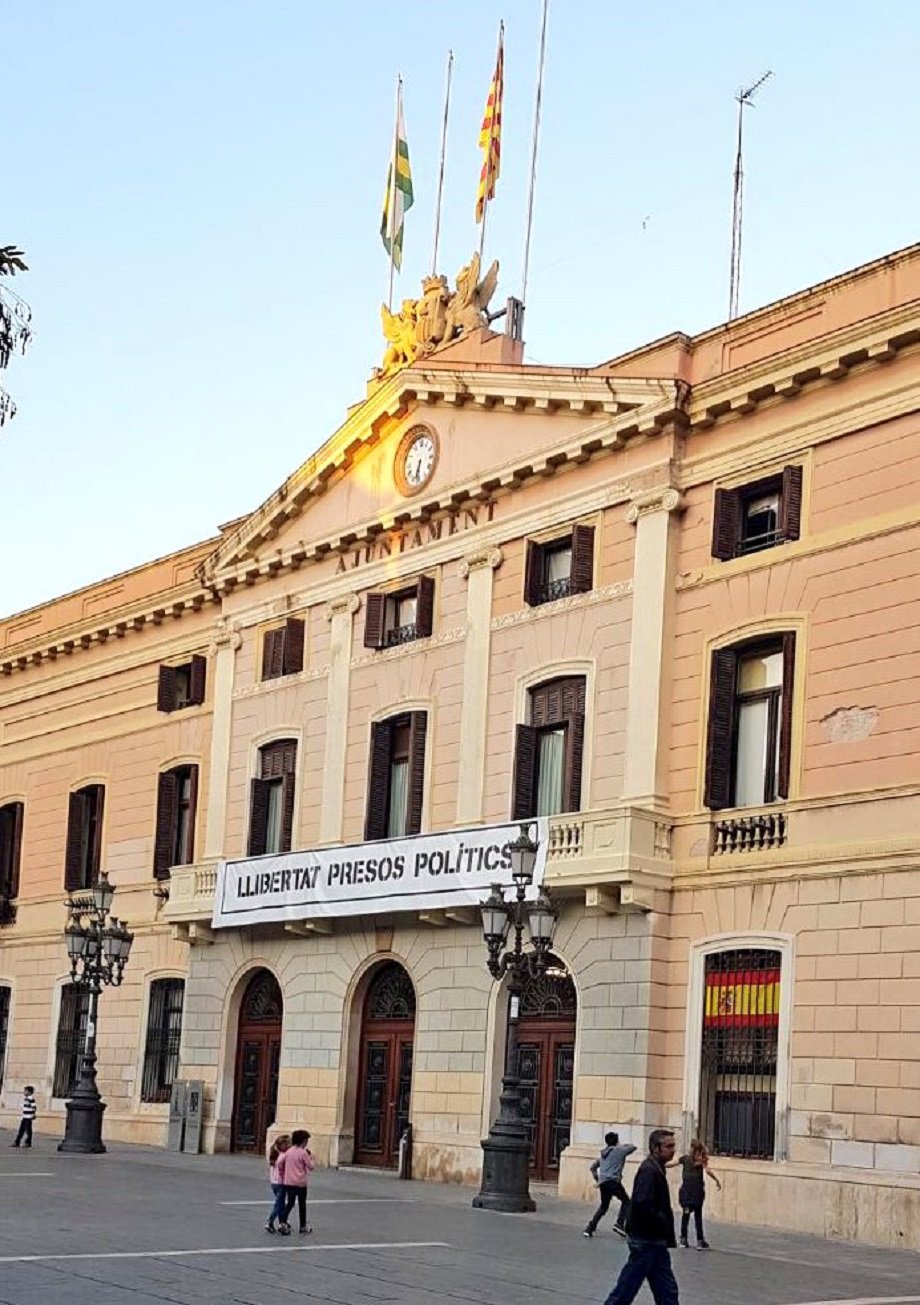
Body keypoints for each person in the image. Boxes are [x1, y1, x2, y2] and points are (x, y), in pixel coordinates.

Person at [601, 1128, 680, 1305]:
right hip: (646, 1241)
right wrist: (660, 1220)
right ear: (656, 1148)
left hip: (654, 1240)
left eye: (673, 1145)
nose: (673, 1150)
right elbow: (643, 1203)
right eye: (668, 1146)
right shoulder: (649, 1170)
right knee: (626, 1289)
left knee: (667, 1290)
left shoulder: (656, 1167)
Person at [584, 1131, 636, 1238]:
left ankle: (590, 1228)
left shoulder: (603, 1154)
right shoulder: (620, 1151)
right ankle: (619, 1223)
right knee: (627, 1202)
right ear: (616, 1141)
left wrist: (597, 1179)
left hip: (603, 1183)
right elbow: (633, 1147)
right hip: (613, 1181)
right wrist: (621, 1145)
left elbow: (593, 1168)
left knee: (604, 1206)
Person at [677, 1138, 721, 1250]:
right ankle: (700, 1241)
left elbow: (672, 1163)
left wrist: (661, 1163)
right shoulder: (701, 1161)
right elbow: (708, 1171)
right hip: (697, 1193)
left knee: (685, 1215)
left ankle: (683, 1239)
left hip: (687, 1193)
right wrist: (716, 1180)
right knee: (698, 1216)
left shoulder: (685, 1159)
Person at [277, 1128, 314, 1236]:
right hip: (301, 1183)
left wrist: (283, 1174)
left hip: (289, 1182)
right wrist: (311, 1158)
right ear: (303, 1141)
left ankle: (282, 1222)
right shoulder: (303, 1153)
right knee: (302, 1204)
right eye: (306, 1141)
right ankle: (302, 1226)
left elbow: (280, 1163)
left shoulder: (289, 1151)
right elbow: (310, 1167)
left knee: (290, 1203)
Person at [264, 1133, 290, 1233]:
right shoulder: (283, 1156)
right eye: (288, 1144)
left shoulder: (274, 1154)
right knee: (279, 1204)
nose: (289, 1146)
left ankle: (282, 1223)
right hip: (281, 1183)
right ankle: (270, 1221)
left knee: (281, 1203)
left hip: (273, 1182)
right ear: (283, 1146)